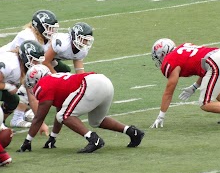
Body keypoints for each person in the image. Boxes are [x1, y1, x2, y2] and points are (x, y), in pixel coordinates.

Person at [17, 64, 145, 153]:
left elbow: (39, 118)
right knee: (96, 121)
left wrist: (27, 141)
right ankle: (132, 132)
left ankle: (93, 140)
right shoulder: (56, 79)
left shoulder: (43, 85)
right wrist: (53, 137)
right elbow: (60, 110)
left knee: (64, 115)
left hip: (91, 84)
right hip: (104, 81)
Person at [150, 38, 220, 130]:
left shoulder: (170, 61)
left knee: (205, 103)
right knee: (211, 88)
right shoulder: (184, 46)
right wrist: (194, 87)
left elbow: (169, 92)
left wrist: (161, 116)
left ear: (162, 54)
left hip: (217, 62)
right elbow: (204, 68)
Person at [0, 10, 69, 128]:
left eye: (53, 28)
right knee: (32, 83)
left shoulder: (47, 37)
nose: (52, 31)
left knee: (54, 74)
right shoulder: (27, 37)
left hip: (25, 64)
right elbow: (26, 59)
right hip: (10, 65)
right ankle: (14, 116)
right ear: (38, 26)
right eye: (48, 28)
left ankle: (17, 113)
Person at [41, 22, 95, 147]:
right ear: (75, 36)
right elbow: (45, 61)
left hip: (53, 60)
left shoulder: (82, 50)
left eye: (87, 40)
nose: (85, 43)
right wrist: (57, 78)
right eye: (83, 39)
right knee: (41, 81)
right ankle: (26, 109)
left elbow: (79, 71)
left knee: (66, 73)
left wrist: (83, 83)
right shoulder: (62, 44)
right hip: (40, 57)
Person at [0, 40, 49, 136]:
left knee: (14, 100)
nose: (37, 64)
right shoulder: (11, 65)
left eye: (39, 61)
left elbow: (32, 99)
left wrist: (41, 123)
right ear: (25, 57)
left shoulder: (26, 68)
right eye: (35, 60)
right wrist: (8, 86)